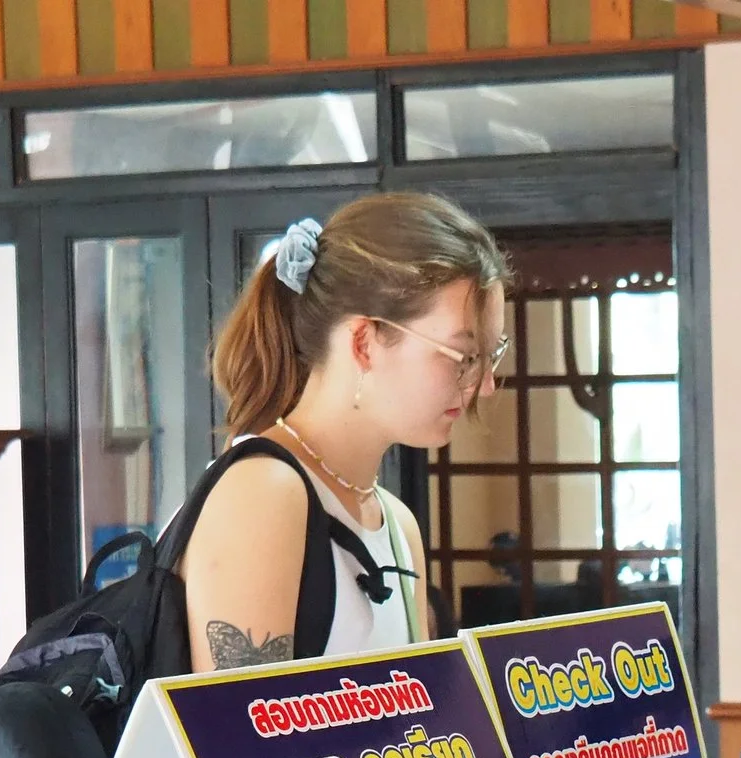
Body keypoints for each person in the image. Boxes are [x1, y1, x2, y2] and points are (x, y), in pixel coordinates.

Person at [186, 191, 511, 670]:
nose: (483, 385)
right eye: (465, 356)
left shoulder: (397, 524)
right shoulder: (263, 492)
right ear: (364, 341)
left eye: (491, 354)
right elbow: (236, 737)